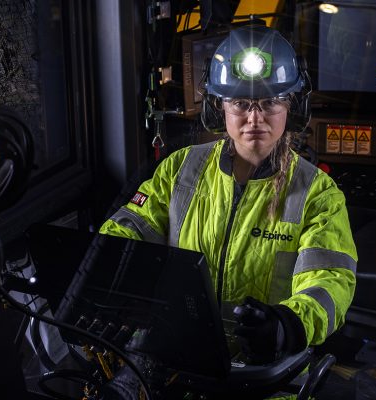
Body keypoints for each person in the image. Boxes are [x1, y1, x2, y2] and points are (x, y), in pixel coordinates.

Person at [100, 23, 357, 374]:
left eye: (270, 102)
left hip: (267, 379)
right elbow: (129, 230)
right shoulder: (181, 169)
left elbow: (329, 282)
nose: (255, 118)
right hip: (177, 367)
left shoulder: (318, 193)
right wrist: (103, 275)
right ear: (219, 107)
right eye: (240, 103)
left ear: (292, 106)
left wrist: (286, 325)